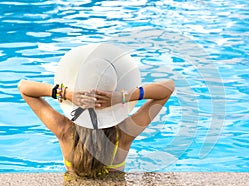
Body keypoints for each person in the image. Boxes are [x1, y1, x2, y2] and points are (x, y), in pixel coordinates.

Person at [18, 43, 174, 178]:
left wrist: (66, 93)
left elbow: (24, 88)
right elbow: (167, 89)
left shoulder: (65, 131)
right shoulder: (125, 133)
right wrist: (122, 97)